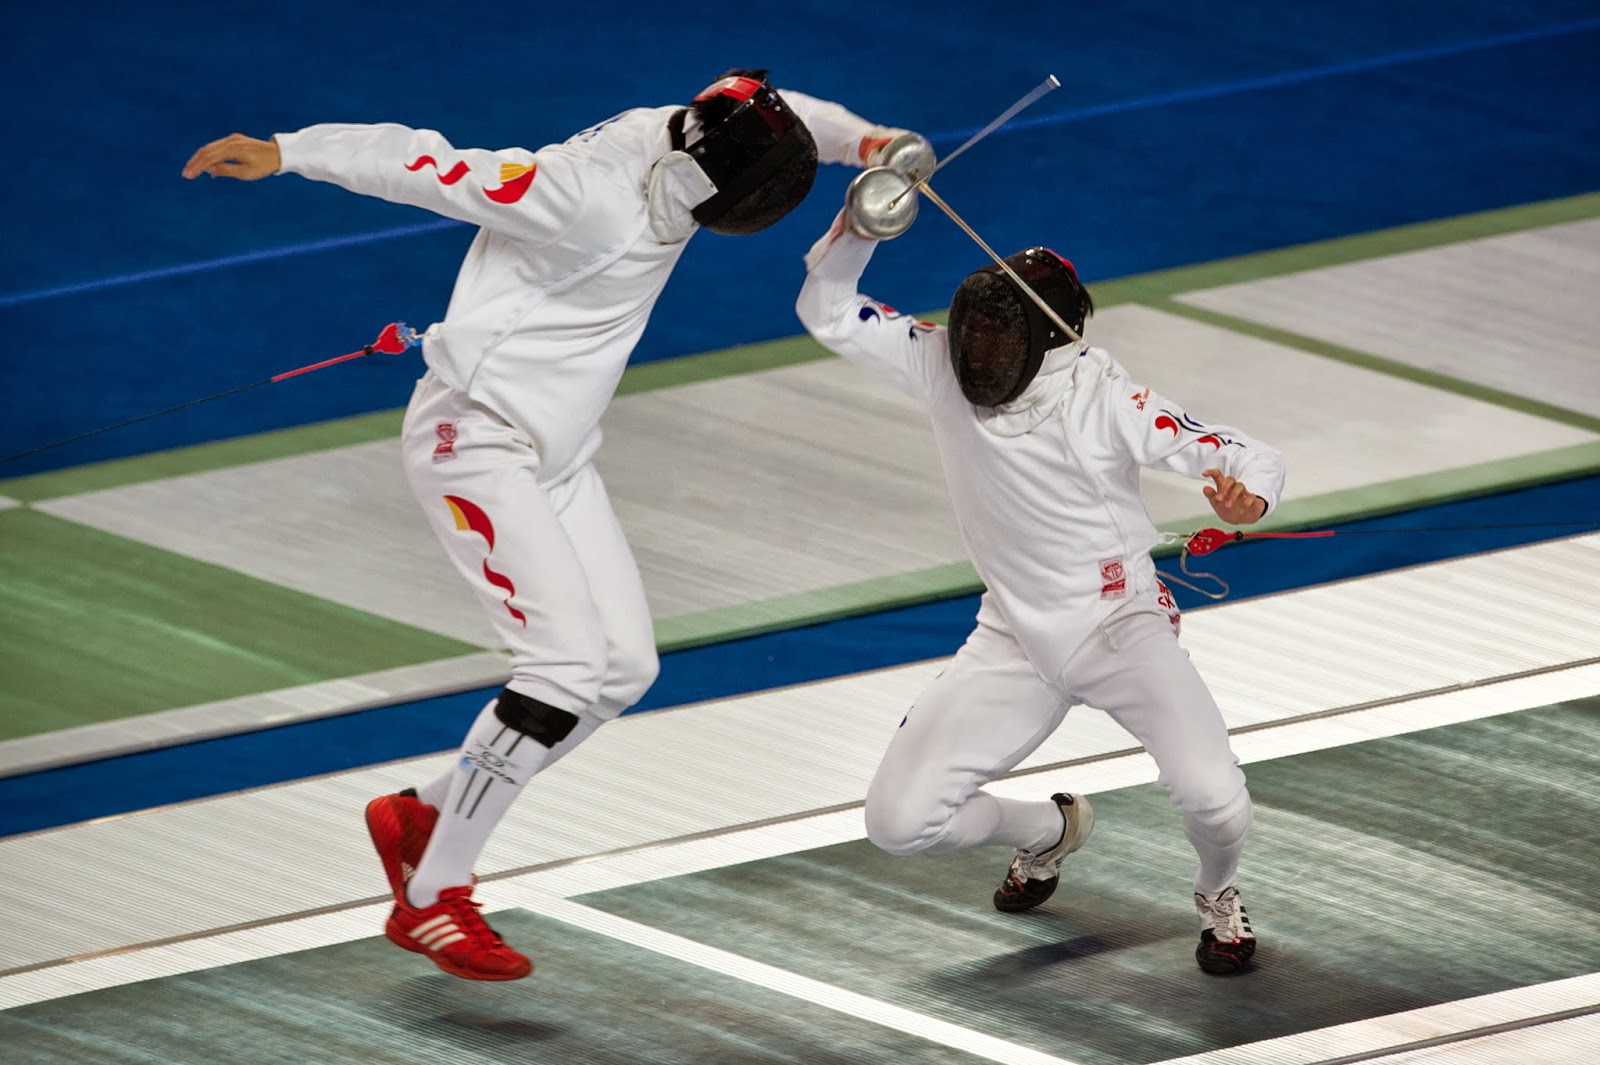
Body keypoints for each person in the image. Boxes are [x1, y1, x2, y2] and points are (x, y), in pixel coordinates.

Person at [184, 71, 927, 981]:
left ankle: (422, 813)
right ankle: (431, 894)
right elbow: (425, 163)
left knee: (622, 668)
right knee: (564, 669)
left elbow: (773, 116)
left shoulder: (700, 131)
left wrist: (867, 141)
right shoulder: (580, 193)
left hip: (560, 452)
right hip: (475, 442)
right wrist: (290, 152)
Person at [793, 204, 1285, 975]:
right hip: (1013, 635)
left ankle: (1217, 891)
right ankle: (1050, 830)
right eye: (975, 332)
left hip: (1120, 626)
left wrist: (1247, 498)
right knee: (899, 821)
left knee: (1213, 796)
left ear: (1051, 342)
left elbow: (1245, 452)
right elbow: (826, 308)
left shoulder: (1105, 397)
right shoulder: (940, 361)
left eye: (999, 338)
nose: (978, 353)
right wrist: (860, 222)